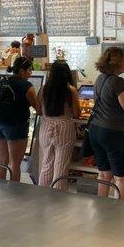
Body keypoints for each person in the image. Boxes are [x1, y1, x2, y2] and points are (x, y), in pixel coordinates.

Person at [89, 47, 124, 200]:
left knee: (104, 173)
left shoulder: (100, 79)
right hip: (114, 133)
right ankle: (120, 215)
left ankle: (101, 208)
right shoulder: (118, 82)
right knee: (121, 177)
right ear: (118, 63)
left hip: (96, 130)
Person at [0, 57, 40, 181]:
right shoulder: (27, 86)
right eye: (29, 70)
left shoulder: (4, 81)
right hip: (16, 127)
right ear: (21, 71)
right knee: (15, 163)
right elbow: (39, 109)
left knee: (3, 160)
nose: (31, 73)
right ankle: (14, 195)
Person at [38, 61, 81, 190]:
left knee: (46, 164)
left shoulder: (44, 88)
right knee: (61, 167)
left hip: (46, 128)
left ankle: (41, 196)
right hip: (64, 129)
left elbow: (39, 110)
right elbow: (76, 113)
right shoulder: (70, 90)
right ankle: (58, 201)